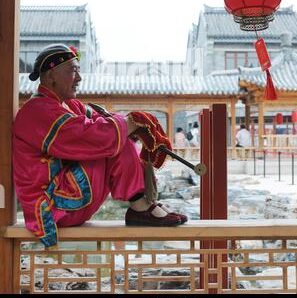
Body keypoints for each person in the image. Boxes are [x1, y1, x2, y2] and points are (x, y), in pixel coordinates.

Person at [13, 44, 187, 248]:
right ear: (51, 75)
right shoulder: (36, 111)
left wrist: (136, 126)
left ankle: (142, 205)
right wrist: (132, 123)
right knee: (113, 140)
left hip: (69, 199)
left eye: (78, 70)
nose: (79, 78)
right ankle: (140, 208)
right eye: (72, 70)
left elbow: (104, 120)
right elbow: (90, 136)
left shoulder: (69, 105)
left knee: (118, 135)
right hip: (52, 207)